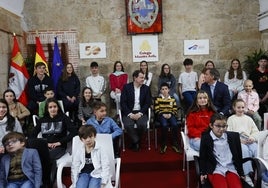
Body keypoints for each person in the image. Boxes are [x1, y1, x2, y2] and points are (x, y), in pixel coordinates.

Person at [199, 113, 245, 188]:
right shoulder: (206, 138)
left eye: (224, 126)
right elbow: (203, 156)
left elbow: (239, 156)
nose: (221, 129)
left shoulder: (234, 137)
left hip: (231, 168)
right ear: (211, 126)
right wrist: (203, 173)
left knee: (236, 186)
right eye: (218, 126)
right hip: (216, 169)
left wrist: (241, 173)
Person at [226, 99, 259, 187]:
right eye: (238, 107)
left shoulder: (249, 119)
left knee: (256, 148)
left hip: (249, 140)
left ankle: (258, 172)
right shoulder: (231, 119)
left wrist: (252, 138)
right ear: (234, 108)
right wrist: (239, 140)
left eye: (243, 107)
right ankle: (246, 174)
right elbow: (229, 133)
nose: (241, 109)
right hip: (239, 141)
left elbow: (255, 131)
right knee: (243, 150)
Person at [120, 70, 151, 151]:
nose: (143, 79)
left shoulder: (146, 88)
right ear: (135, 78)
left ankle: (134, 142)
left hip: (141, 111)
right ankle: (137, 141)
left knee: (142, 124)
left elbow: (148, 103)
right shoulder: (126, 87)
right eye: (141, 77)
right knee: (127, 125)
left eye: (143, 78)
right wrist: (130, 114)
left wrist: (140, 113)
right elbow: (123, 103)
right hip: (129, 112)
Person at [154, 82, 181, 154]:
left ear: (169, 90)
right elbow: (156, 109)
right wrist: (163, 114)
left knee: (175, 125)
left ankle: (175, 142)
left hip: (170, 114)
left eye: (166, 89)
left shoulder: (172, 99)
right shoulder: (158, 99)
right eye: (162, 89)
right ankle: (164, 143)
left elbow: (175, 109)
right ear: (160, 91)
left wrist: (170, 114)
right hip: (161, 115)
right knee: (164, 125)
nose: (164, 91)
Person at [249, 55, 268, 120]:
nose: (263, 63)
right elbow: (251, 86)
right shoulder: (253, 73)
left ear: (267, 63)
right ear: (258, 62)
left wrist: (265, 98)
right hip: (256, 94)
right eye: (261, 61)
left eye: (265, 61)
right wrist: (258, 97)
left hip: (267, 95)